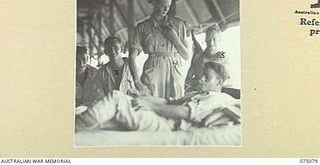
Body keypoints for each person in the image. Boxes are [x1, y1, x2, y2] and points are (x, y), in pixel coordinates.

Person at [75, 62, 240, 132]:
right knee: (109, 111)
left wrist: (152, 107)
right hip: (161, 115)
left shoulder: (218, 97)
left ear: (219, 81)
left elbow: (185, 112)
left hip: (168, 124)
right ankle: (80, 121)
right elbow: (168, 102)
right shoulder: (197, 93)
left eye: (207, 77)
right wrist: (144, 97)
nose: (201, 79)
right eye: (202, 75)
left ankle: (71, 128)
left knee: (116, 98)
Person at [129, 0, 190, 99]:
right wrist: (136, 81)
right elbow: (131, 57)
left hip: (174, 69)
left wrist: (175, 39)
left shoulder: (179, 25)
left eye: (169, 5)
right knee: (152, 105)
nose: (166, 8)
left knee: (174, 106)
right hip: (153, 70)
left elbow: (186, 55)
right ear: (154, 3)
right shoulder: (142, 28)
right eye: (163, 5)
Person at [185, 24, 229, 93]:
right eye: (209, 39)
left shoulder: (222, 55)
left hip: (213, 96)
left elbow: (226, 77)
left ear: (219, 40)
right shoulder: (198, 56)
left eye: (214, 39)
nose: (211, 43)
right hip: (197, 93)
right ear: (205, 40)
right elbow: (188, 80)